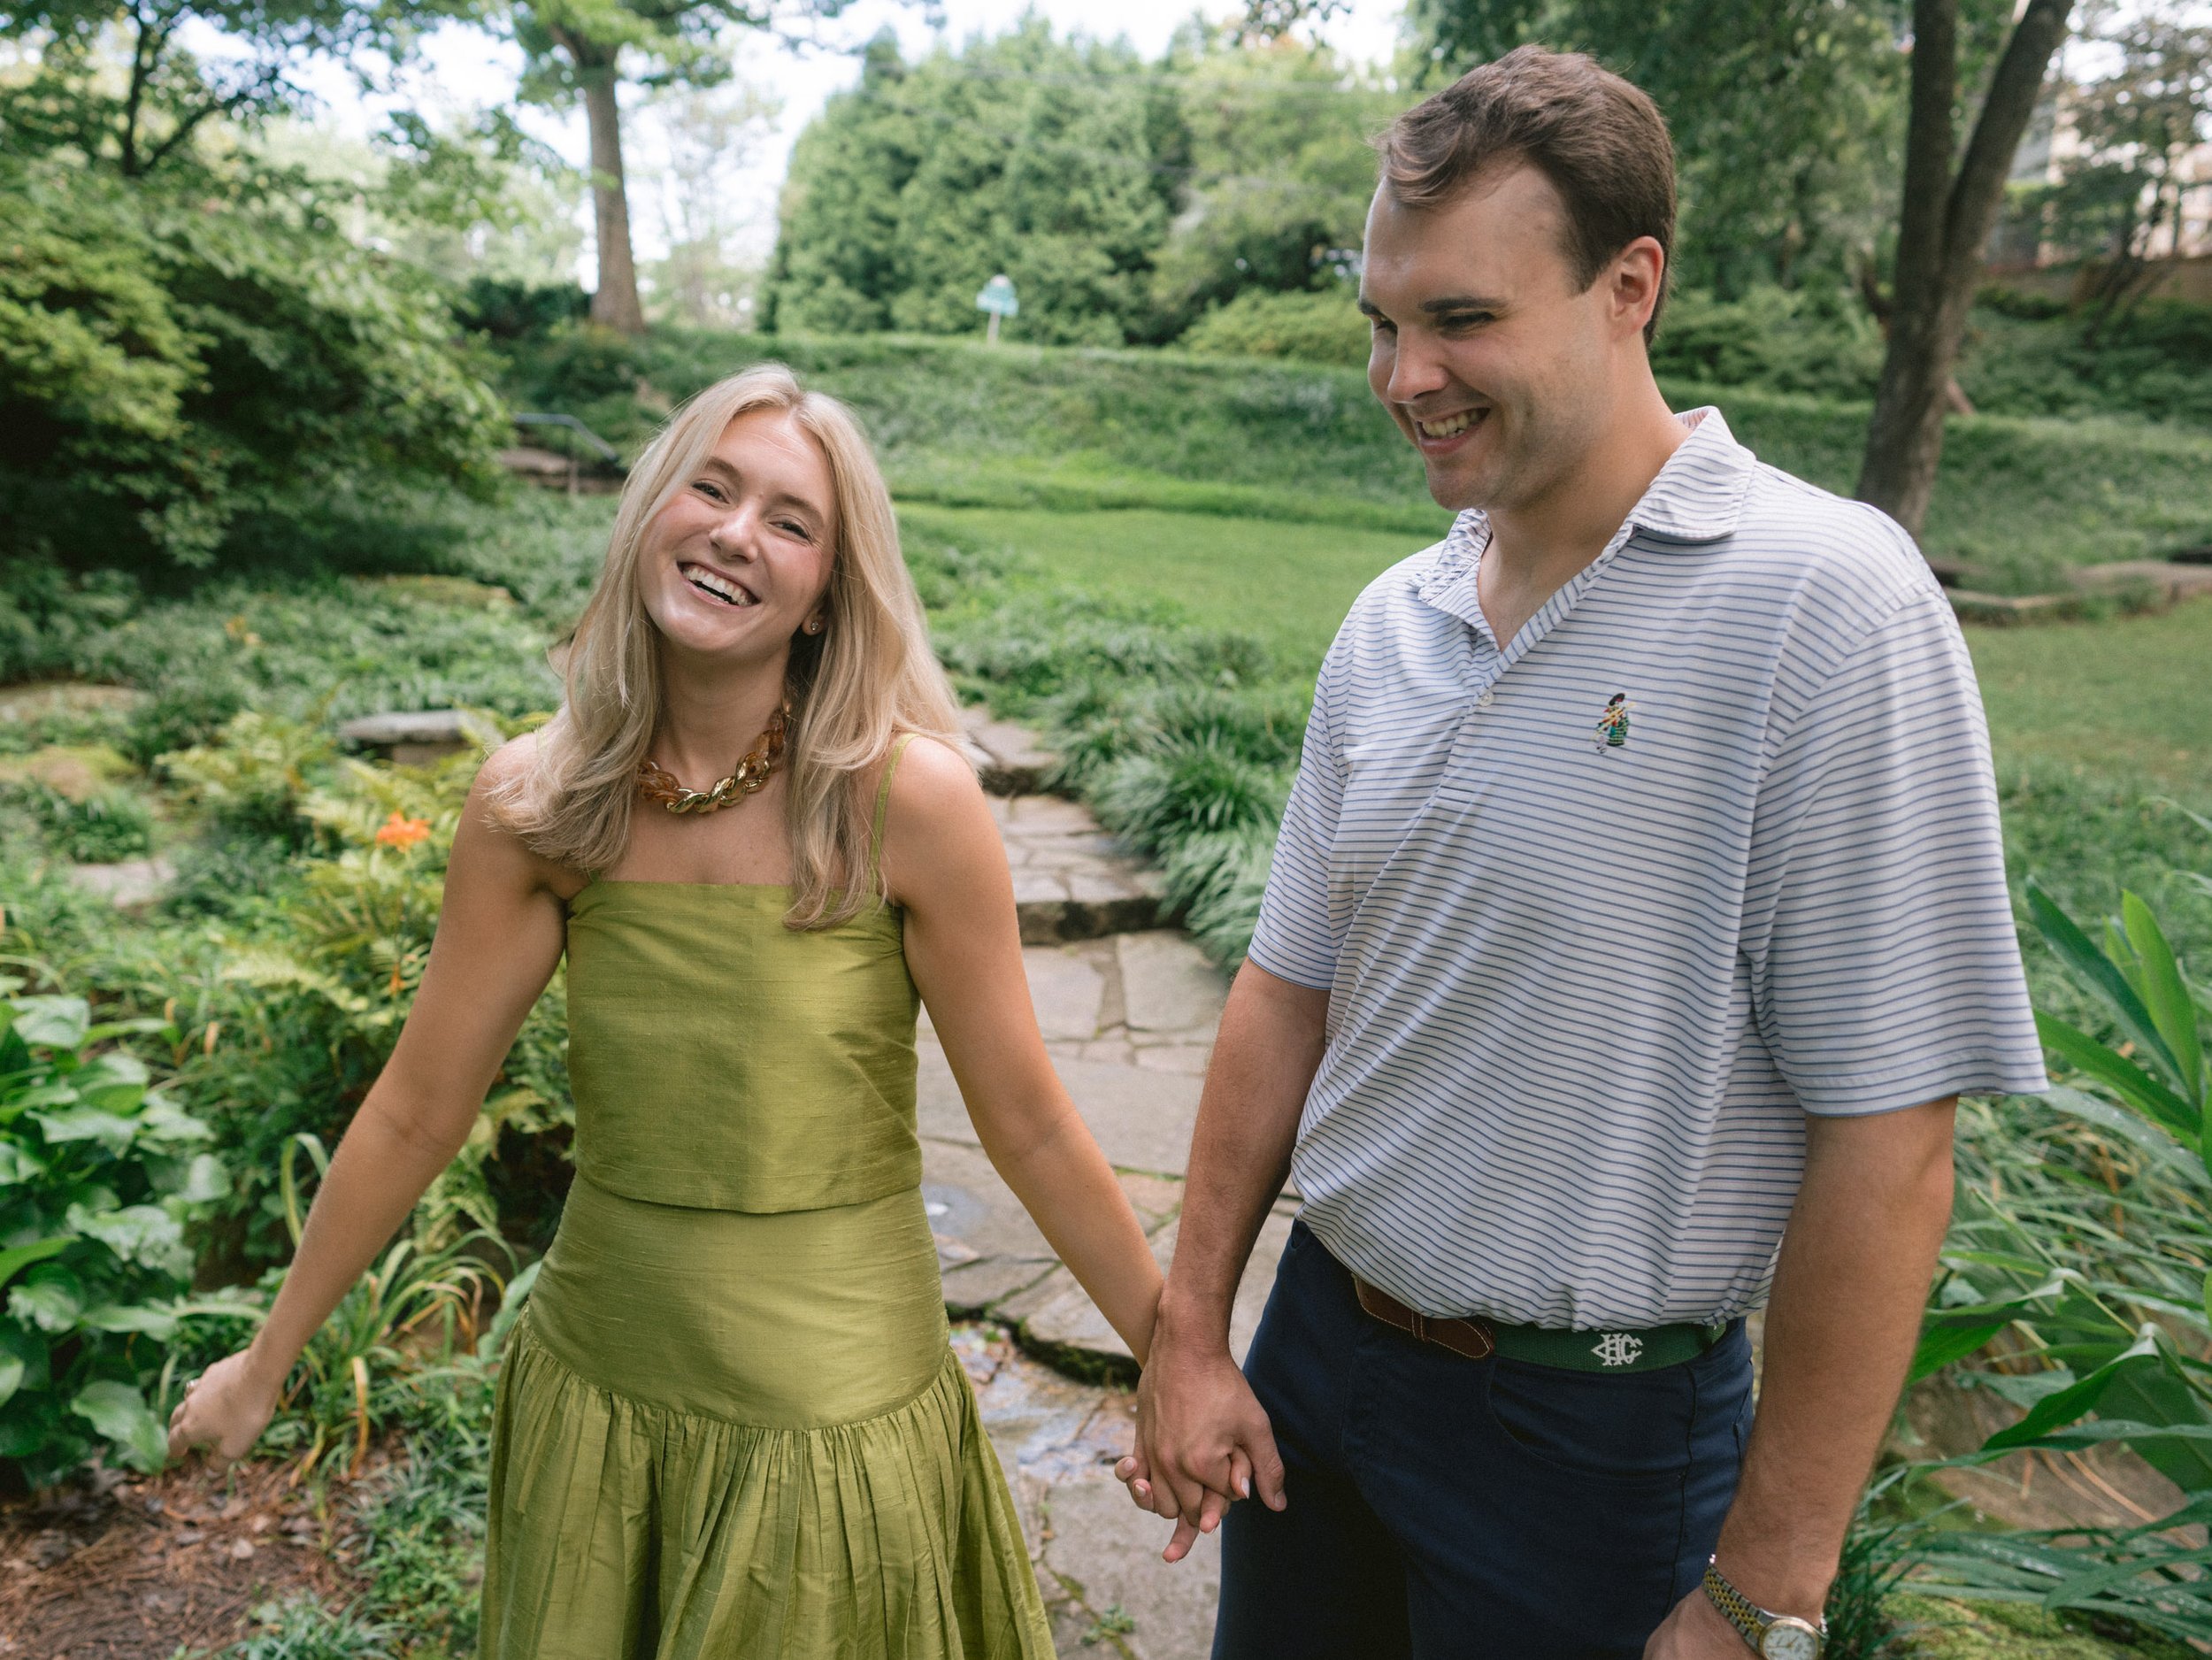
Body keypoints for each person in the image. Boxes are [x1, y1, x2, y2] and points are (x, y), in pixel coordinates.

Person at [1117, 46, 2047, 1660]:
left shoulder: (1828, 606)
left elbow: (1889, 1139)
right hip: (1320, 1363)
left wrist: (1764, 1598)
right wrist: (1192, 1333)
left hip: (1590, 1445)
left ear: (1631, 286)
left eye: (1463, 319)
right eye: (1385, 322)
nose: (1407, 374)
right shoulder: (1388, 620)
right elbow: (1286, 991)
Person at [168, 364, 1166, 1659]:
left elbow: (1028, 1125)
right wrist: (265, 1361)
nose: (736, 533)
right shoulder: (539, 804)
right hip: (604, 1402)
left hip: (832, 1413)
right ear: (652, 509)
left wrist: (1171, 1356)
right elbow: (420, 1107)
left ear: (823, 596)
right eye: (711, 486)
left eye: (791, 521)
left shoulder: (907, 804)